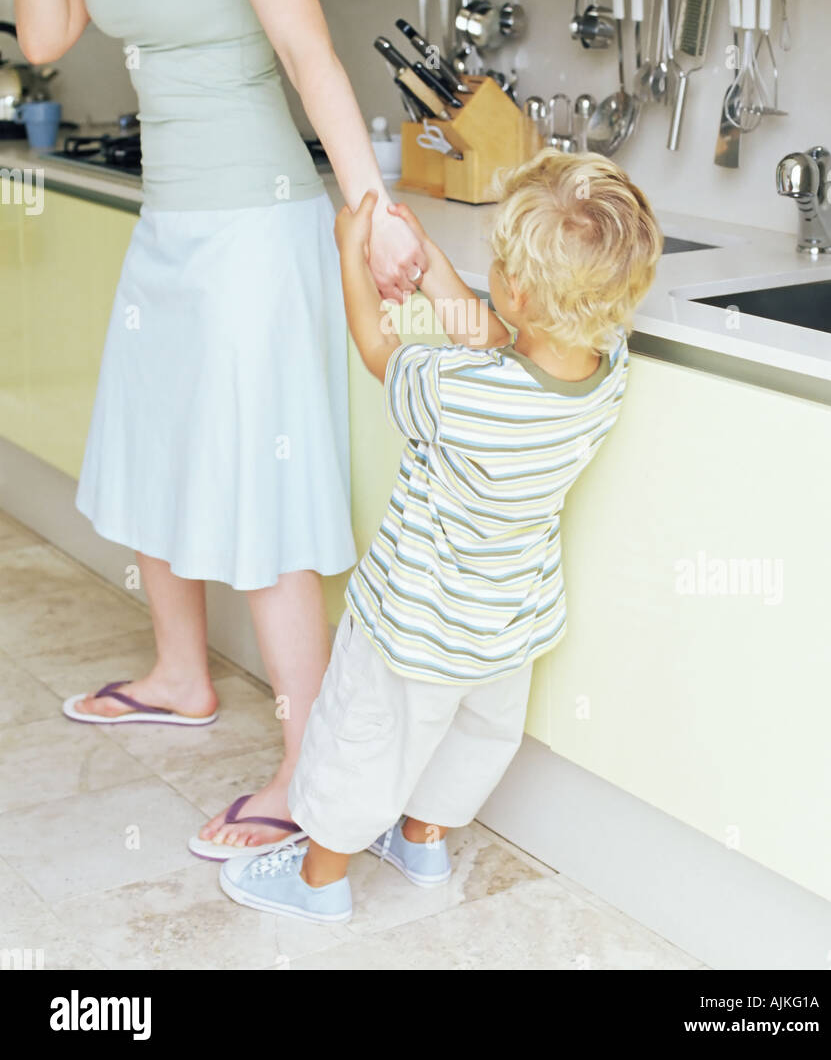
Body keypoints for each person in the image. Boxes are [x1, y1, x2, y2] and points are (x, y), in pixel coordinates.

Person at [13, 0, 426, 860]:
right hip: (173, 222)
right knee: (151, 441)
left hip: (256, 224)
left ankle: (304, 763)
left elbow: (311, 58)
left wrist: (371, 204)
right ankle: (182, 673)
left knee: (260, 477)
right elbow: (43, 34)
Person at [217, 148, 663, 922]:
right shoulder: (603, 371)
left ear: (516, 290)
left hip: (413, 619)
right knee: (474, 735)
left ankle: (319, 880)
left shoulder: (454, 391)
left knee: (362, 737)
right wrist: (429, 272)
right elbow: (502, 340)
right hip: (504, 621)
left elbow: (377, 350)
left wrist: (350, 262)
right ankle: (421, 839)